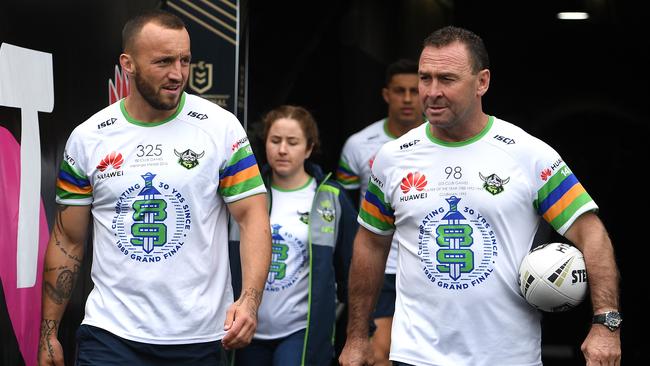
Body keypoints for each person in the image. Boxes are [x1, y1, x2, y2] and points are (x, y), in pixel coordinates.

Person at [339, 25, 621, 366]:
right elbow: (370, 243)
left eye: (447, 79)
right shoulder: (392, 158)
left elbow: (591, 232)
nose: (431, 91)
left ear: (482, 82)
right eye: (424, 78)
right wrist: (356, 337)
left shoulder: (528, 154)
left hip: (507, 357)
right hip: (416, 356)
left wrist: (606, 323)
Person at [38, 9, 271, 366]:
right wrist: (48, 333)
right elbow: (67, 239)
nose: (177, 74)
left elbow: (253, 218)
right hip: (110, 336)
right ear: (127, 64)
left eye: (185, 60)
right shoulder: (89, 138)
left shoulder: (221, 129)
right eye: (163, 62)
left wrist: (249, 301)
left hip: (200, 337)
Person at [230, 105, 358, 366]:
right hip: (245, 326)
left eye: (293, 142)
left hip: (302, 330)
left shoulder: (330, 198)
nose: (282, 150)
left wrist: (360, 329)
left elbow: (352, 268)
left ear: (309, 148)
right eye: (275, 141)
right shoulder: (244, 194)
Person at [335, 59, 424, 366]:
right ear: (387, 95)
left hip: (427, 265)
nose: (409, 98)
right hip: (382, 266)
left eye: (415, 90)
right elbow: (346, 213)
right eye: (401, 91)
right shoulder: (359, 145)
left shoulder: (447, 142)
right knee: (378, 352)